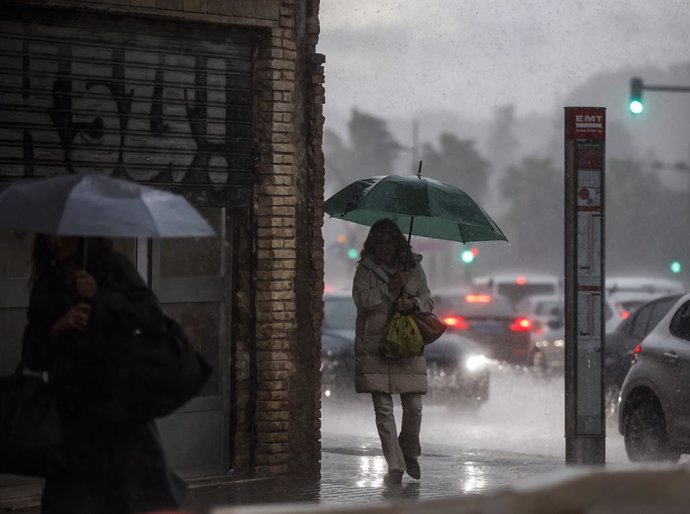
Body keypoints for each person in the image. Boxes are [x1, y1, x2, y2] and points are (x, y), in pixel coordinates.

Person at [21, 234, 185, 514]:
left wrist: (102, 295)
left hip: (118, 410)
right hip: (71, 417)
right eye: (49, 233)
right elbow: (33, 355)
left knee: (128, 496)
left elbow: (150, 317)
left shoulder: (113, 269)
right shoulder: (47, 284)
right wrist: (58, 327)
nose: (56, 240)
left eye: (64, 234)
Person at [351, 218, 434, 485]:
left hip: (406, 345)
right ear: (373, 245)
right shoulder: (365, 269)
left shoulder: (414, 268)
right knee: (383, 409)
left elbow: (428, 301)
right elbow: (361, 300)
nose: (385, 247)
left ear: (398, 243)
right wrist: (389, 289)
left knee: (414, 406)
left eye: (390, 242)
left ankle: (409, 452)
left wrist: (413, 302)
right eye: (380, 243)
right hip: (375, 346)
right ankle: (395, 465)